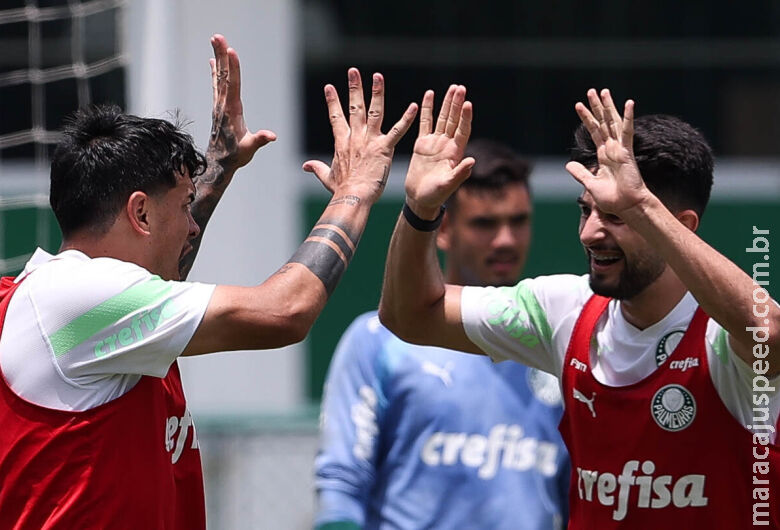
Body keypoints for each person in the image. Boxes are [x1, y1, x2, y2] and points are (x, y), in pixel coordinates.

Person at [0, 34, 419, 529]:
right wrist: (355, 191)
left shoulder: (87, 307)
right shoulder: (77, 298)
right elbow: (285, 312)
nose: (193, 224)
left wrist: (218, 167)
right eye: (182, 207)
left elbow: (167, 267)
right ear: (139, 211)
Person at [379, 85, 780, 528]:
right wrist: (420, 209)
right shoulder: (563, 310)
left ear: (677, 226)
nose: (590, 233)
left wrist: (642, 203)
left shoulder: (722, 335)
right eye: (586, 211)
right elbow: (410, 315)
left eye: (616, 215)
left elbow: (770, 335)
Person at [314, 139, 570, 530]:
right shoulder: (379, 340)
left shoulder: (555, 342)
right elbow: (341, 485)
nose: (506, 239)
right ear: (445, 228)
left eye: (518, 221)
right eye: (485, 223)